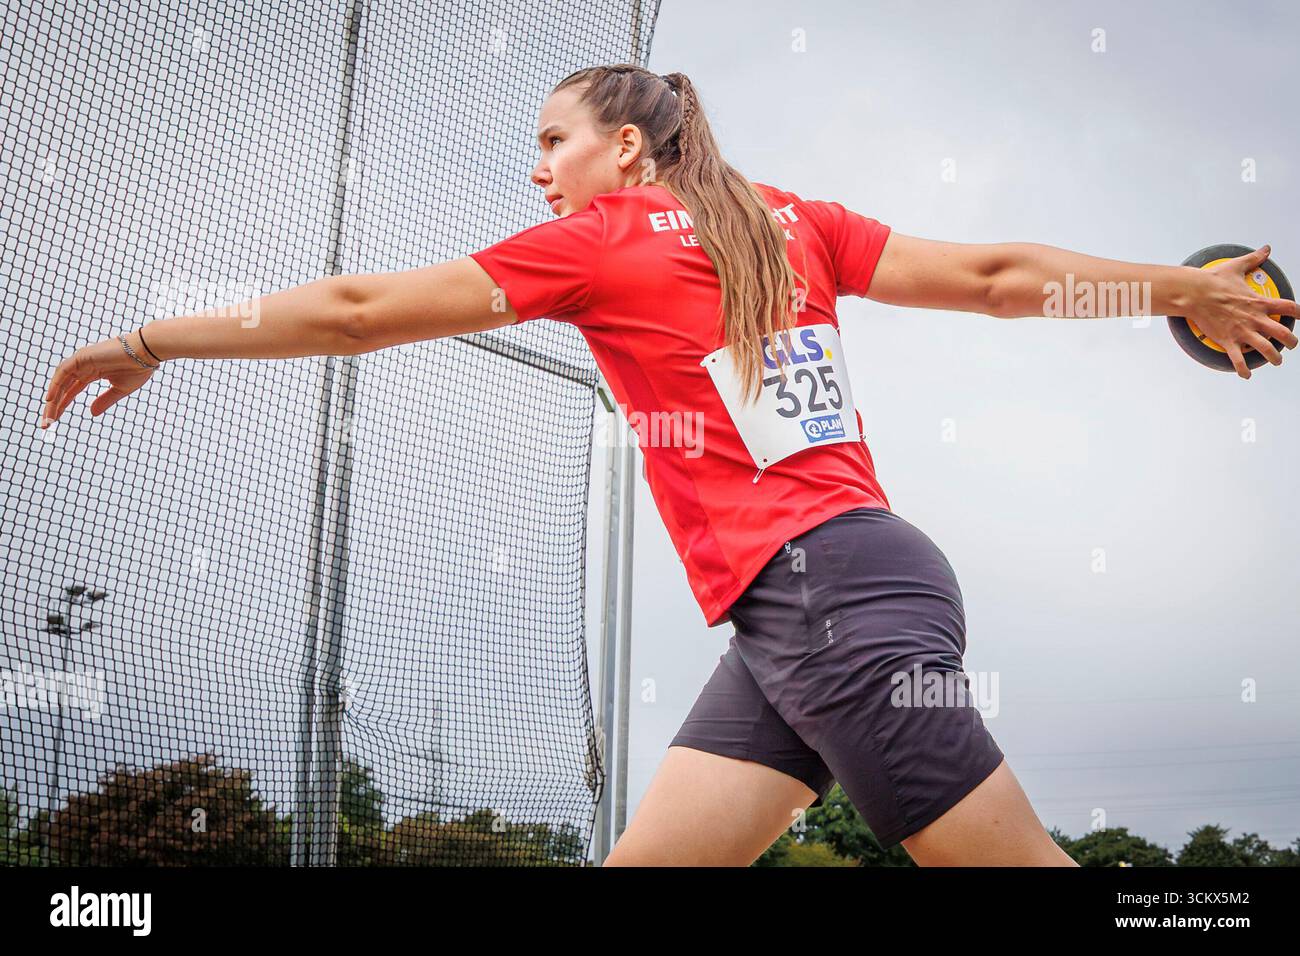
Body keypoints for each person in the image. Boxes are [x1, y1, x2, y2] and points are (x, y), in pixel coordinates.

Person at [40, 64, 1297, 867]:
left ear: (627, 153)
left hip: (825, 599)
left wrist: (155, 335)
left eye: (551, 141)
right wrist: (1172, 284)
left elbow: (362, 306)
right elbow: (995, 281)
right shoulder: (785, 216)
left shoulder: (593, 240)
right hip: (822, 599)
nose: (537, 168)